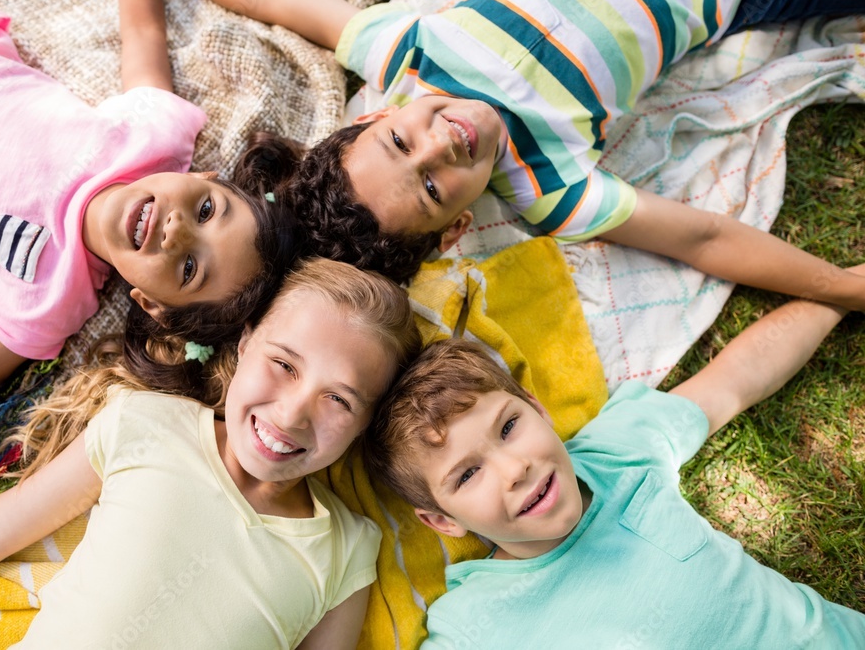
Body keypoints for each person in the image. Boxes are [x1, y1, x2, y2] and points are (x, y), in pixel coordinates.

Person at [0, 0, 301, 497]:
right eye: (207, 210)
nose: (177, 229)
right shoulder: (153, 138)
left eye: (189, 269)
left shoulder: (46, 302)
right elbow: (142, 29)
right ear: (204, 177)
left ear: (152, 305)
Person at [0, 257, 422, 647]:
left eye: (339, 400)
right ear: (246, 343)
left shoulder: (346, 551)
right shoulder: (149, 423)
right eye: (284, 364)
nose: (294, 413)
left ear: (366, 423)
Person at [186, 0, 865, 289]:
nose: (440, 145)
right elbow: (704, 237)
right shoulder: (552, 188)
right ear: (454, 229)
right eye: (430, 187)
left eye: (400, 143)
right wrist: (838, 286)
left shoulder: (408, 55)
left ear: (374, 116)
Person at [363, 277, 865, 647]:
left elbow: (736, 379)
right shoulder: (472, 628)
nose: (514, 469)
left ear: (538, 409)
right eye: (468, 474)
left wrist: (846, 289)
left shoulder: (616, 455)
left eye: (510, 426)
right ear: (442, 521)